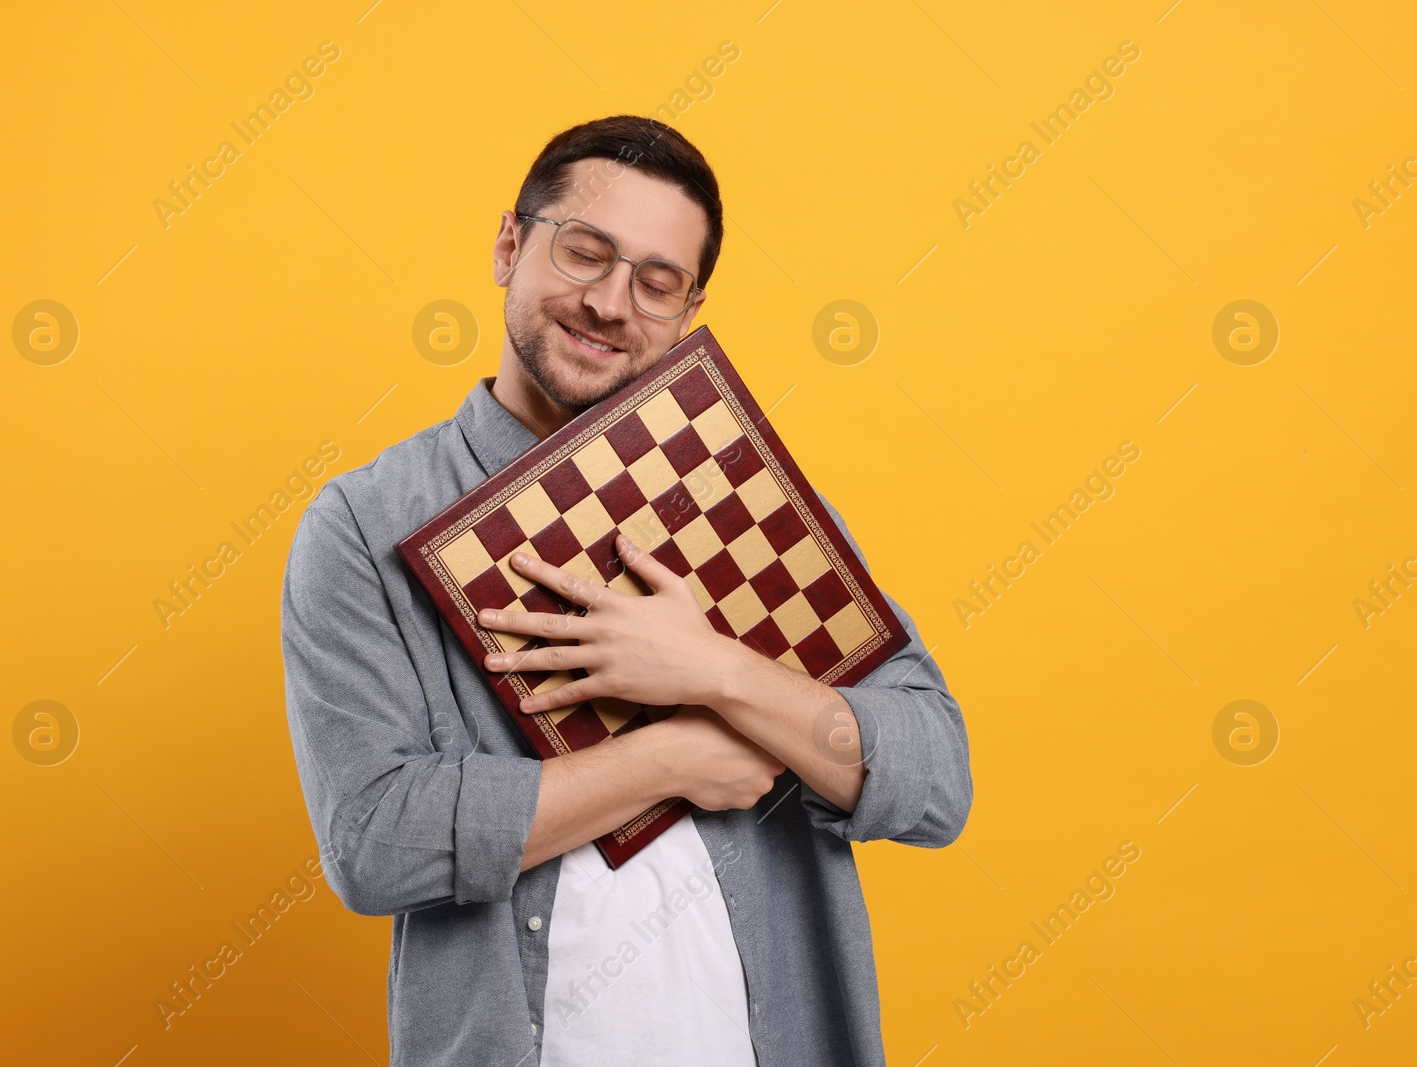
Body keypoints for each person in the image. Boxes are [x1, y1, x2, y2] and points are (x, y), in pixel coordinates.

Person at [281, 114, 973, 1066]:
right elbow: (374, 841)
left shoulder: (753, 494)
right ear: (509, 245)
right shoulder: (366, 524)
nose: (611, 302)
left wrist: (719, 671)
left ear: (690, 308)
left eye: (656, 282)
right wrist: (674, 758)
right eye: (585, 253)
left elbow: (935, 779)